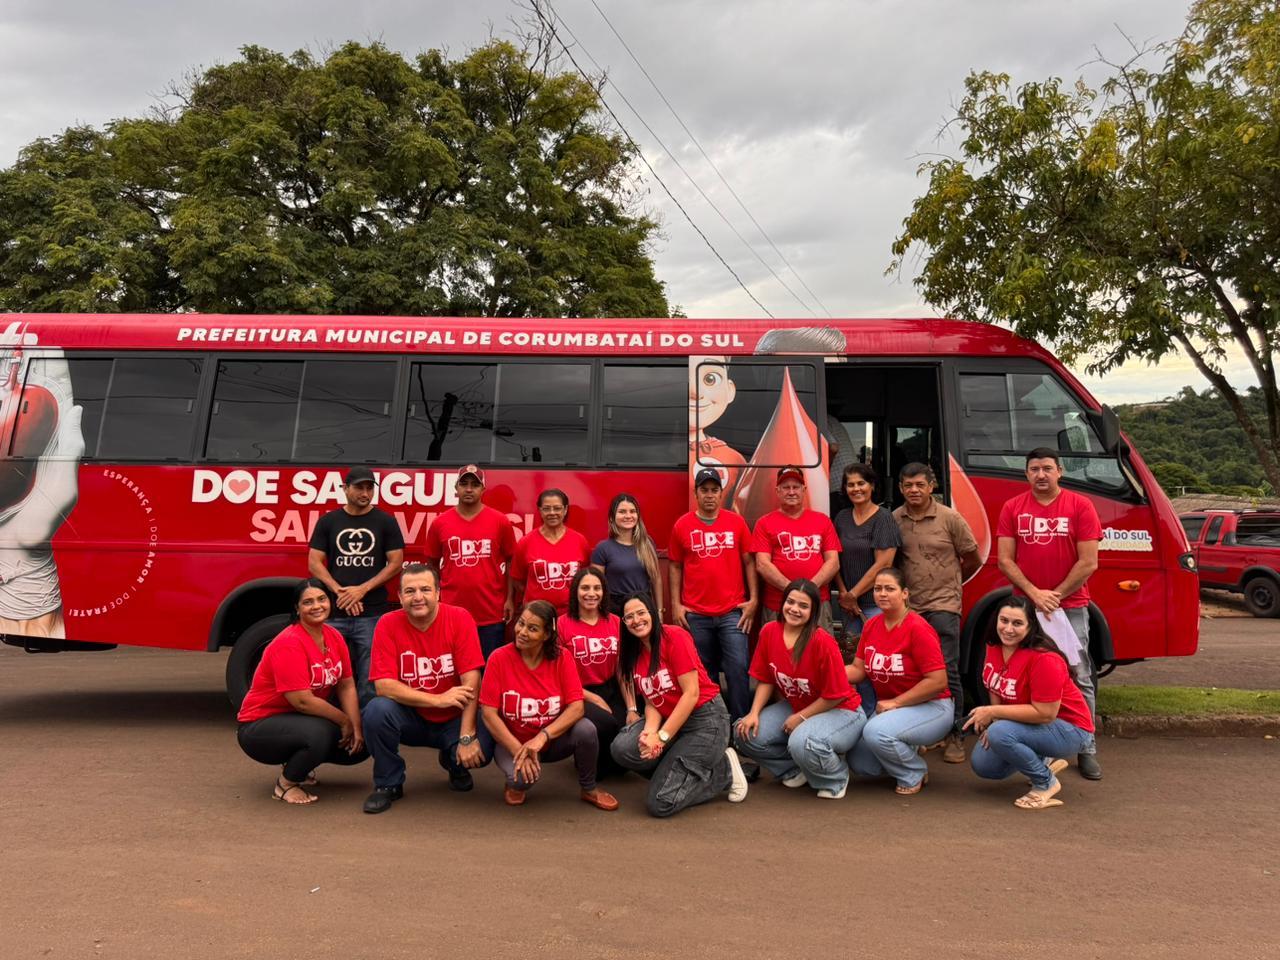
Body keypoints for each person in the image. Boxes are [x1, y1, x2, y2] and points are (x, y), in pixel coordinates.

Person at [996, 448, 1103, 781]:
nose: (1040, 475)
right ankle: (1038, 743)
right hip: (1026, 608)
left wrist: (1054, 596)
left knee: (1078, 673)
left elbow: (1089, 561)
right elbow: (1005, 560)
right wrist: (1035, 594)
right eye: (1033, 469)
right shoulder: (1013, 508)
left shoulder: (1080, 505)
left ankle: (1086, 748)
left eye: (1046, 468)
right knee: (1026, 676)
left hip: (1068, 607)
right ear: (1026, 474)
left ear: (1060, 471)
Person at [360, 563, 492, 814]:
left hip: (454, 718)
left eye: (425, 589)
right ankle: (388, 784)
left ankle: (454, 761)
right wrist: (437, 700)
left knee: (482, 749)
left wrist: (466, 738)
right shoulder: (387, 623)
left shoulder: (460, 618)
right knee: (376, 711)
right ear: (399, 597)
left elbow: (472, 682)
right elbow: (383, 685)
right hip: (412, 716)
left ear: (438, 593)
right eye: (409, 591)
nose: (418, 597)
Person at [610, 592, 749, 817]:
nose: (636, 620)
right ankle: (676, 773)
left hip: (705, 720)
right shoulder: (633, 654)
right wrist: (649, 733)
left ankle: (724, 772)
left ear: (653, 613)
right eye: (629, 617)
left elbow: (691, 694)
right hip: (669, 719)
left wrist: (662, 738)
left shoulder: (674, 636)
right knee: (623, 749)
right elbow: (652, 701)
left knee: (660, 803)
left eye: (641, 613)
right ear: (624, 623)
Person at [236, 579, 367, 805]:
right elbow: (302, 701)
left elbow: (346, 684)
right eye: (308, 602)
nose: (316, 606)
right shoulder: (289, 643)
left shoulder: (333, 636)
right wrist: (344, 720)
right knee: (321, 733)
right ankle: (286, 785)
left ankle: (299, 766)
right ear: (297, 608)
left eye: (321, 599)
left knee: (366, 736)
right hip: (259, 726)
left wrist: (355, 727)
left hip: (298, 719)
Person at [480, 599, 619, 810]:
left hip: (553, 741)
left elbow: (576, 707)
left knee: (586, 729)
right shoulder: (498, 658)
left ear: (546, 635)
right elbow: (488, 714)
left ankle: (589, 788)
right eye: (521, 623)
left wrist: (542, 737)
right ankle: (513, 784)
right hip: (512, 742)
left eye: (532, 628)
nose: (522, 631)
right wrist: (520, 749)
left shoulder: (562, 658)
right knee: (521, 781)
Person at [734, 579, 866, 799]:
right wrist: (754, 713)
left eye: (803, 606)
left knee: (802, 741)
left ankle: (835, 776)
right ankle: (798, 769)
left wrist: (801, 717)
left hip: (843, 710)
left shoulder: (822, 641)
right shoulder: (769, 631)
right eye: (790, 602)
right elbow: (765, 677)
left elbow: (835, 696)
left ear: (813, 611)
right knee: (743, 733)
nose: (794, 609)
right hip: (799, 705)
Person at [964, 596, 1097, 809]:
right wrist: (996, 717)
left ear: (1030, 626)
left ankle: (1045, 783)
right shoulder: (993, 646)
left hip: (1071, 729)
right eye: (1004, 620)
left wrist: (993, 715)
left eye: (1017, 623)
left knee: (1000, 733)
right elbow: (994, 685)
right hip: (1034, 724)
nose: (1008, 629)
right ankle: (1041, 762)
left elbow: (1046, 714)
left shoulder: (1045, 659)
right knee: (984, 766)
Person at [893, 462, 981, 764]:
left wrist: (950, 582)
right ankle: (925, 732)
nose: (913, 490)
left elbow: (972, 557)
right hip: (910, 608)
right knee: (914, 671)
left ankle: (955, 734)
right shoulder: (895, 519)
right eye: (907, 485)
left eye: (919, 485)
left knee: (947, 670)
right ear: (901, 488)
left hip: (944, 605)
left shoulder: (950, 518)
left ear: (931, 486)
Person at [847, 568, 953, 795]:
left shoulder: (918, 628)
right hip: (895, 709)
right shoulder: (871, 625)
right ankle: (909, 744)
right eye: (877, 589)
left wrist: (896, 703)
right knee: (861, 762)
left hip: (932, 706)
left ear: (905, 593)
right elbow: (858, 669)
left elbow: (938, 681)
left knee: (876, 733)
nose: (882, 594)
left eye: (889, 589)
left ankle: (914, 771)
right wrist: (824, 673)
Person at [308, 466, 405, 706]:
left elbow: (396, 563)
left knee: (369, 681)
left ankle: (365, 732)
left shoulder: (386, 522)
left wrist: (362, 589)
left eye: (369, 488)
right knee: (327, 674)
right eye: (359, 487)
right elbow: (314, 562)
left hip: (371, 613)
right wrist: (339, 591)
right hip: (335, 612)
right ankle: (332, 726)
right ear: (345, 489)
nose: (365, 493)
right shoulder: (329, 521)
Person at [669, 467, 759, 723]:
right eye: (704, 490)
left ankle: (740, 727)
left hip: (733, 613)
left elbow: (750, 562)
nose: (709, 495)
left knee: (738, 669)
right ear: (696, 493)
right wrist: (676, 605)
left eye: (714, 490)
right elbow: (674, 566)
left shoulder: (736, 522)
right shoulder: (682, 525)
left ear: (721, 493)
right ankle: (711, 726)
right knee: (703, 675)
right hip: (695, 615)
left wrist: (753, 601)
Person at [423, 464, 516, 659]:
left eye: (474, 484)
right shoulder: (440, 523)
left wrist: (509, 599)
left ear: (483, 489)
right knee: (453, 670)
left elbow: (511, 561)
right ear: (455, 488)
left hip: (490, 613)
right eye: (463, 484)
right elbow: (431, 564)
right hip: (451, 612)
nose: (468, 489)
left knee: (488, 672)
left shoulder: (500, 521)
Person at [558, 567, 638, 778]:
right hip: (577, 692)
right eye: (585, 588)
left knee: (627, 740)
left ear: (604, 592)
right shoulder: (563, 624)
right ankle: (585, 757)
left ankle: (602, 759)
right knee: (606, 723)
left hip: (611, 687)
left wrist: (631, 707)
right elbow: (557, 674)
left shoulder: (615, 622)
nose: (591, 593)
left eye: (597, 588)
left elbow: (623, 669)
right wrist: (592, 698)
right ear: (575, 591)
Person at [752, 465, 840, 629]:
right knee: (777, 653)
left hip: (817, 604)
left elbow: (833, 562)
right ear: (778, 491)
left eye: (796, 487)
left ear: (804, 489)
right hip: (776, 604)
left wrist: (808, 590)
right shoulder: (764, 523)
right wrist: (795, 592)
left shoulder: (822, 521)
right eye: (786, 487)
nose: (791, 492)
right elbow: (762, 565)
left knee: (819, 652)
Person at [832, 463, 901, 648]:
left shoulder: (883, 518)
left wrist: (853, 594)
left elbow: (883, 564)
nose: (856, 489)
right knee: (852, 655)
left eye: (861, 483)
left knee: (876, 656)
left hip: (876, 604)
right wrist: (844, 594)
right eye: (850, 485)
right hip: (848, 606)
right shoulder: (842, 518)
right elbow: (834, 558)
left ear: (872, 485)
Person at [508, 488, 591, 615]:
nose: (552, 513)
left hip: (571, 614)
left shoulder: (580, 541)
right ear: (540, 511)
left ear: (565, 510)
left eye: (557, 508)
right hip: (536, 615)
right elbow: (518, 581)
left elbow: (586, 577)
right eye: (546, 508)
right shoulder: (526, 542)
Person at [590, 493, 664, 616]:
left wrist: (659, 611)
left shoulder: (647, 543)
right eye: (622, 512)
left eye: (632, 511)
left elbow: (656, 579)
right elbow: (596, 585)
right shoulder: (603, 548)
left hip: (644, 607)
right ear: (612, 517)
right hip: (615, 609)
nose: (628, 516)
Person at [689, 355, 747, 504]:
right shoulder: (653, 451)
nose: (695, 392)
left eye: (710, 379)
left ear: (730, 390)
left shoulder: (734, 459)